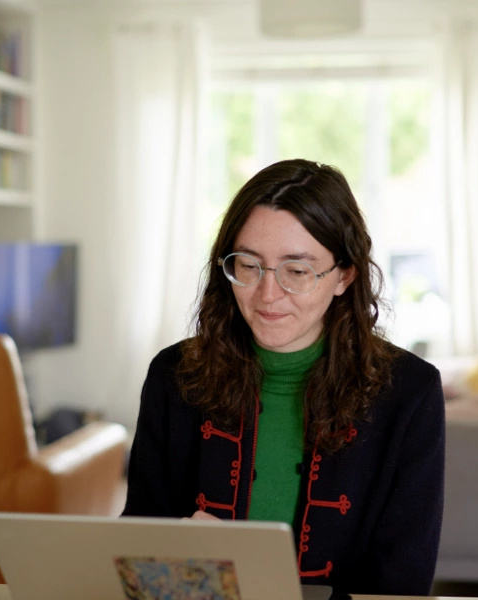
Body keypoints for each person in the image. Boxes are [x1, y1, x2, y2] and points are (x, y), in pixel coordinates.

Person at [122, 158, 445, 596]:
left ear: (344, 275)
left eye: (297, 271)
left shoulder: (410, 392)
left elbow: (401, 582)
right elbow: (138, 549)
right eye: (248, 265)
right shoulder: (173, 374)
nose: (267, 294)